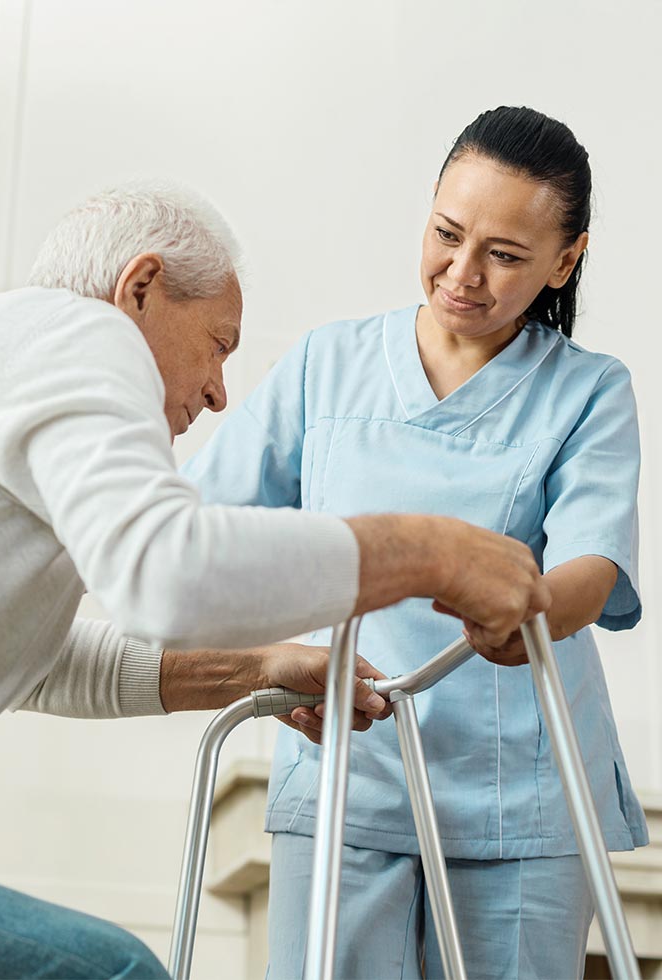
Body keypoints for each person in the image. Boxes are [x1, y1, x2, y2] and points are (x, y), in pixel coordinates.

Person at [0, 182, 548, 979]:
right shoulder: (79, 334)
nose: (221, 392)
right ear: (142, 288)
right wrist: (429, 552)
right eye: (218, 344)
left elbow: (31, 661)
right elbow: (165, 573)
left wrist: (255, 668)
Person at [180, 107, 647, 979]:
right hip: (346, 772)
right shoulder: (328, 366)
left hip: (525, 799)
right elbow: (192, 550)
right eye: (446, 234)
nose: (462, 274)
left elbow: (594, 564)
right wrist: (268, 659)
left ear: (566, 259)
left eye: (505, 255)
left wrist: (530, 607)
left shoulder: (589, 392)